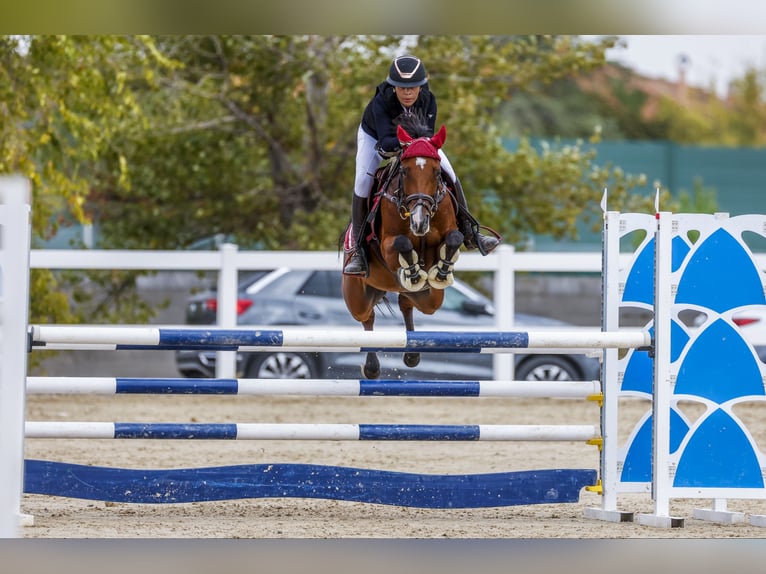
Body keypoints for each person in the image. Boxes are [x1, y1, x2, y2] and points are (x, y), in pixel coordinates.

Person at [344, 54, 501, 276]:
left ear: (420, 87)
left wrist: (416, 145)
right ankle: (358, 250)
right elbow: (385, 143)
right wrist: (403, 142)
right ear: (393, 87)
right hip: (377, 138)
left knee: (449, 172)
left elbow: (425, 137)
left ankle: (469, 232)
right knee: (362, 181)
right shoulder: (380, 103)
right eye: (401, 87)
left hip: (415, 141)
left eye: (412, 87)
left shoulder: (429, 100)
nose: (407, 93)